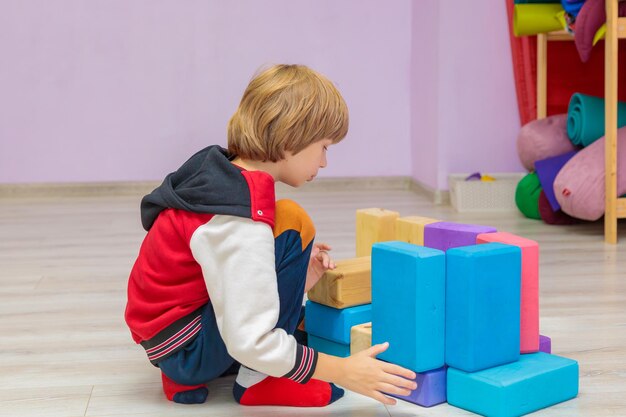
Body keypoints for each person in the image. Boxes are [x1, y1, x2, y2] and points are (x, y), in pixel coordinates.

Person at [124, 64, 417, 407]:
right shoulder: (241, 217)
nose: (323, 162)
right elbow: (252, 341)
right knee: (293, 221)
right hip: (188, 350)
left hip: (170, 337)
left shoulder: (219, 174)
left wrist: (297, 276)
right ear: (292, 140)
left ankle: (184, 371)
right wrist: (341, 370)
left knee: (289, 225)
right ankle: (257, 382)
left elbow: (222, 271)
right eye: (324, 147)